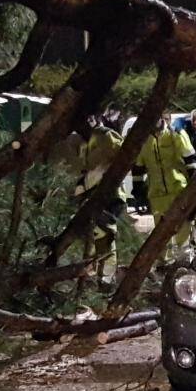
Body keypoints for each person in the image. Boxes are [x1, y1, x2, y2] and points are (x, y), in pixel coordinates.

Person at [131, 112, 196, 264]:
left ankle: (185, 262)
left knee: (183, 229)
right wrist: (138, 191)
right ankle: (165, 264)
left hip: (178, 190)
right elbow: (138, 168)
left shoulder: (176, 134)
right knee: (161, 233)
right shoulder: (144, 141)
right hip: (157, 194)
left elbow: (191, 160)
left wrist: (195, 188)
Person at [75, 103, 126, 285]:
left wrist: (111, 179)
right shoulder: (86, 143)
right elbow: (86, 171)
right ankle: (93, 274)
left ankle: (106, 277)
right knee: (94, 235)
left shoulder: (106, 135)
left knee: (106, 235)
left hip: (110, 195)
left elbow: (123, 156)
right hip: (93, 196)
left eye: (90, 117)